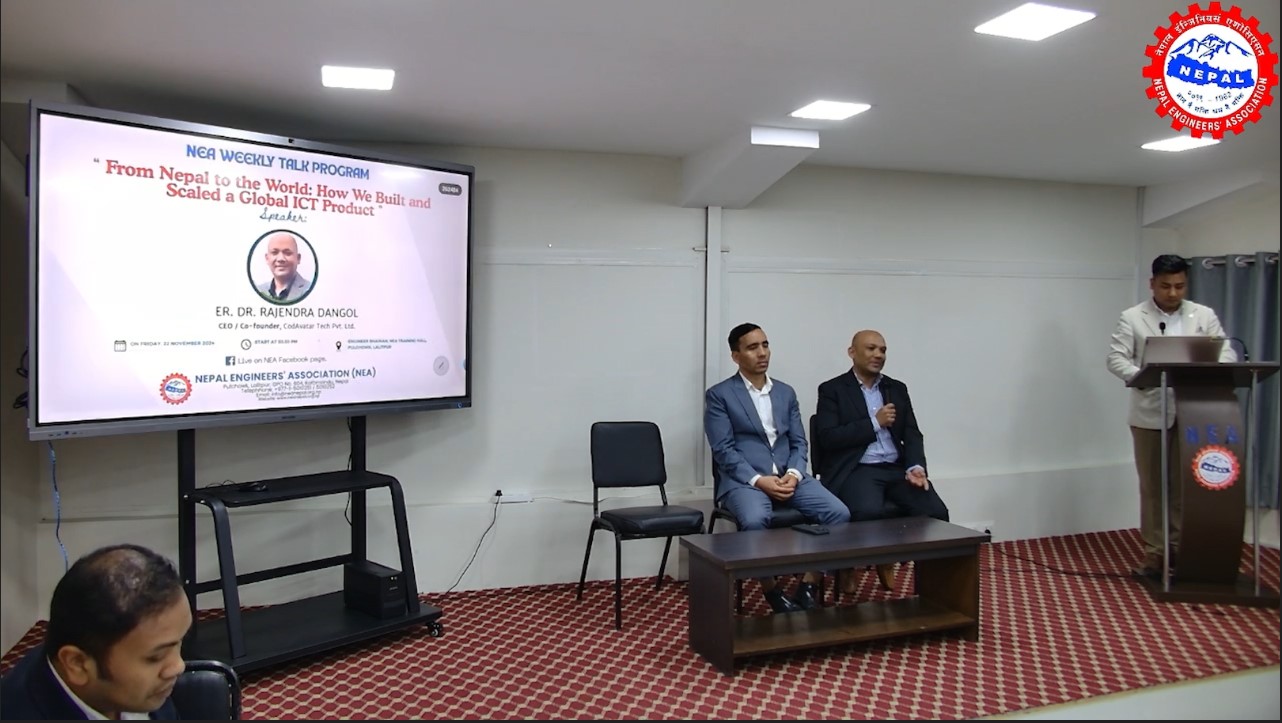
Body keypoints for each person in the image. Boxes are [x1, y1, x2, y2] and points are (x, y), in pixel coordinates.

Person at [704, 323, 851, 614]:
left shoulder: (785, 392)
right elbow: (723, 450)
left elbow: (799, 442)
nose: (762, 353)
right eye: (752, 347)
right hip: (745, 481)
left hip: (789, 476)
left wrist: (794, 474)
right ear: (736, 356)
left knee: (839, 513)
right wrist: (759, 480)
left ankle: (808, 584)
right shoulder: (720, 395)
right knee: (755, 519)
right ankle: (771, 590)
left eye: (765, 345)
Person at [1106, 254, 1235, 580]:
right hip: (1150, 413)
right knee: (1153, 488)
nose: (1173, 293)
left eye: (1179, 286)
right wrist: (1142, 376)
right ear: (1152, 284)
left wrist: (1214, 369)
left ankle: (1179, 548)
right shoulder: (1133, 317)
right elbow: (1116, 359)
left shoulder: (1203, 315)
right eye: (1166, 286)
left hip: (1194, 412)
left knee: (1184, 487)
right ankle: (1155, 553)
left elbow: (1227, 353)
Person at [815, 330, 950, 593]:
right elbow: (829, 438)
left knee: (936, 512)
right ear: (852, 352)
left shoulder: (896, 389)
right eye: (871, 348)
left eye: (883, 350)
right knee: (866, 512)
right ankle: (850, 566)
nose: (878, 355)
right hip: (858, 468)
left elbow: (912, 433)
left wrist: (916, 467)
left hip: (896, 468)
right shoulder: (832, 390)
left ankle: (934, 586)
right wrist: (874, 423)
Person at [0, 544, 191, 720]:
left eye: (180, 641)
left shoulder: (144, 683)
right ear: (77, 664)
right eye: (156, 657)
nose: (178, 666)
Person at [254, 231, 312, 303]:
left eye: (287, 253)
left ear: (298, 258)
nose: (280, 259)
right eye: (274, 252)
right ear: (267, 258)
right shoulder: (258, 291)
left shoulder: (310, 290)